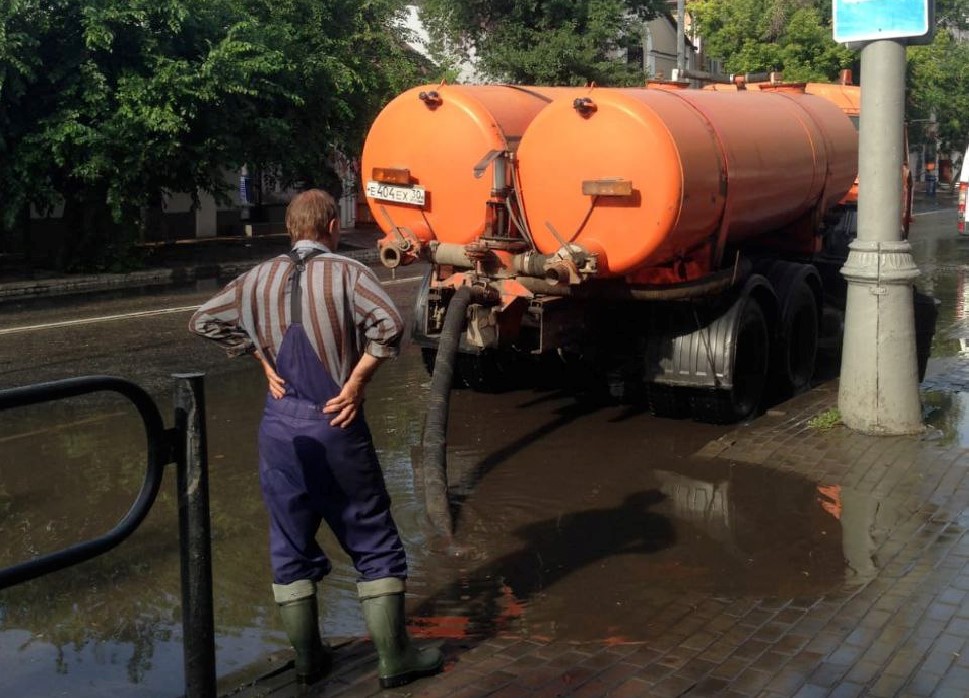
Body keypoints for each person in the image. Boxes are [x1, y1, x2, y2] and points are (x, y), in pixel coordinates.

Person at [189, 189, 443, 688]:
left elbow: (202, 321)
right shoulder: (349, 274)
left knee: (289, 542)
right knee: (371, 538)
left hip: (279, 431)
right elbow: (390, 326)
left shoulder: (255, 278)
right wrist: (357, 383)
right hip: (337, 424)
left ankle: (307, 663)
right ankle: (395, 661)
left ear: (290, 229)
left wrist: (261, 359)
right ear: (332, 228)